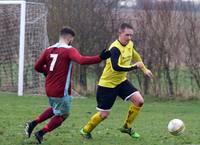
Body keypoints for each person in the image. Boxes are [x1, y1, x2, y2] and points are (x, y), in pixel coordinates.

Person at [24, 27, 110, 144]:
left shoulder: (48, 50)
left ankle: (33, 123)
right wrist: (100, 58)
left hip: (49, 88)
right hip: (60, 90)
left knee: (56, 109)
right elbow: (81, 60)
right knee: (63, 115)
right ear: (69, 38)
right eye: (72, 40)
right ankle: (40, 133)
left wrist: (47, 72)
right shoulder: (69, 50)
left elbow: (37, 67)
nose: (71, 42)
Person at [80, 23, 153, 139]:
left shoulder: (130, 44)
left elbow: (136, 56)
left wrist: (144, 69)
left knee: (139, 101)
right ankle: (85, 130)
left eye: (131, 35)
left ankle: (126, 127)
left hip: (121, 81)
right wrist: (134, 67)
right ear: (120, 34)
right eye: (127, 35)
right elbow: (116, 67)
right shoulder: (115, 48)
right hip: (107, 85)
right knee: (104, 115)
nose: (129, 38)